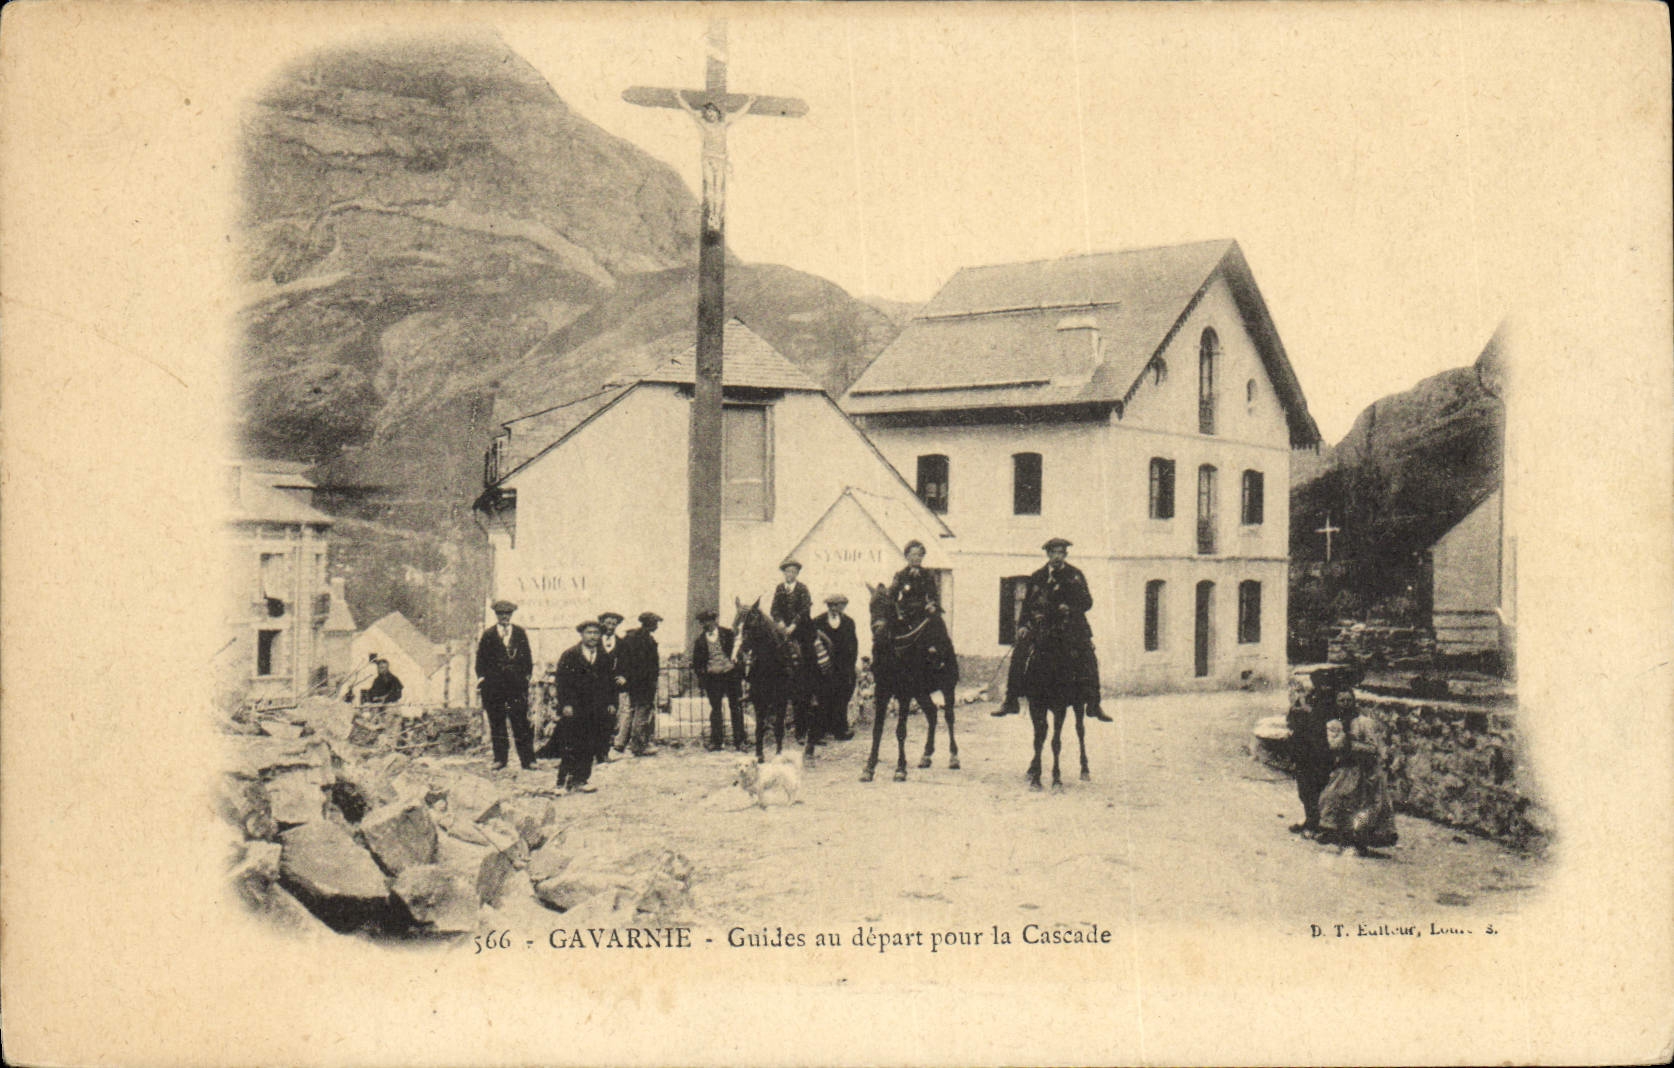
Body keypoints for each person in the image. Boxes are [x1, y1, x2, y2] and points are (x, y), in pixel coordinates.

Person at [994, 538, 1111, 721]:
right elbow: (1027, 605)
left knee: (1088, 656)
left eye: (1061, 553)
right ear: (1048, 554)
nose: (1057, 557)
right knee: (1020, 652)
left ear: (1065, 555)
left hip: (1070, 625)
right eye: (1054, 553)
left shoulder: (1075, 575)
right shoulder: (1037, 576)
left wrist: (1070, 608)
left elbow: (1088, 602)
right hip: (1042, 625)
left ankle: (1094, 703)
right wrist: (1024, 625)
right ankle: (1011, 700)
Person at [1316, 706, 1399, 855]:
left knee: (1366, 807)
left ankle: (1360, 841)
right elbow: (1333, 745)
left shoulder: (1363, 722)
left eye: (1348, 701)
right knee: (1336, 800)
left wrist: (1351, 745)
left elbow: (1373, 747)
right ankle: (1341, 837)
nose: (1344, 704)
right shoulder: (1336, 724)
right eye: (1341, 701)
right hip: (1347, 770)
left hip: (1366, 771)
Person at [553, 620, 617, 794]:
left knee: (590, 744)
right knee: (571, 743)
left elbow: (610, 682)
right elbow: (561, 682)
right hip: (574, 707)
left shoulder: (604, 657)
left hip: (596, 707)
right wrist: (565, 704)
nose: (593, 636)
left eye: (596, 633)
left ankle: (582, 779)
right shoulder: (570, 655)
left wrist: (611, 702)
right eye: (589, 632)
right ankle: (562, 782)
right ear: (581, 634)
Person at [475, 599, 536, 771]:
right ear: (496, 615)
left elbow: (527, 659)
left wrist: (525, 679)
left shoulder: (519, 633)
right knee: (497, 723)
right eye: (501, 614)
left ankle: (528, 760)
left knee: (521, 723)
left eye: (507, 614)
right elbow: (480, 661)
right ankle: (500, 759)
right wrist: (483, 680)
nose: (504, 617)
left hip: (516, 687)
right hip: (494, 688)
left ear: (511, 615)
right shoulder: (488, 635)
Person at [770, 559, 816, 740]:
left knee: (809, 650)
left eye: (793, 572)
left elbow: (805, 609)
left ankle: (812, 680)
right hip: (783, 629)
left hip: (800, 628)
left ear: (797, 574)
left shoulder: (802, 589)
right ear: (784, 573)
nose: (790, 574)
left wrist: (794, 625)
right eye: (787, 571)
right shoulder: (780, 588)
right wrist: (780, 622)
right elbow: (774, 608)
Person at [693, 608, 746, 751]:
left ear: (714, 621)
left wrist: (738, 669)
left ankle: (739, 741)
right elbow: (697, 663)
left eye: (708, 621)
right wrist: (704, 676)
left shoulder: (727, 634)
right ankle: (716, 742)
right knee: (716, 709)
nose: (706, 625)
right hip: (713, 679)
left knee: (736, 707)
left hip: (730, 676)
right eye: (703, 622)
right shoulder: (700, 641)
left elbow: (737, 651)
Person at [612, 612, 662, 756]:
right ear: (649, 623)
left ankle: (620, 743)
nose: (656, 626)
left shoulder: (632, 637)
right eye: (655, 623)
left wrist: (626, 677)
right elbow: (643, 664)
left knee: (631, 711)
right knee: (641, 714)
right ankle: (637, 745)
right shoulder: (644, 639)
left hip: (634, 682)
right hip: (643, 683)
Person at [813, 593, 859, 742]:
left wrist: (850, 665)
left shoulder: (849, 622)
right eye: (831, 605)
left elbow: (854, 644)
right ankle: (819, 733)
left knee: (841, 697)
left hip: (842, 667)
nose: (834, 608)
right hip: (824, 667)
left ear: (842, 607)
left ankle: (840, 730)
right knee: (823, 698)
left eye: (837, 606)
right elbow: (813, 644)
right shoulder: (818, 621)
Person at [596, 611, 628, 760]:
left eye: (613, 624)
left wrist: (623, 675)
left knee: (610, 717)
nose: (610, 627)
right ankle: (592, 751)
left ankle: (603, 752)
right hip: (595, 685)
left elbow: (627, 663)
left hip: (612, 687)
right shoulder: (594, 641)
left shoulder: (621, 643)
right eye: (607, 623)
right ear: (601, 623)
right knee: (595, 717)